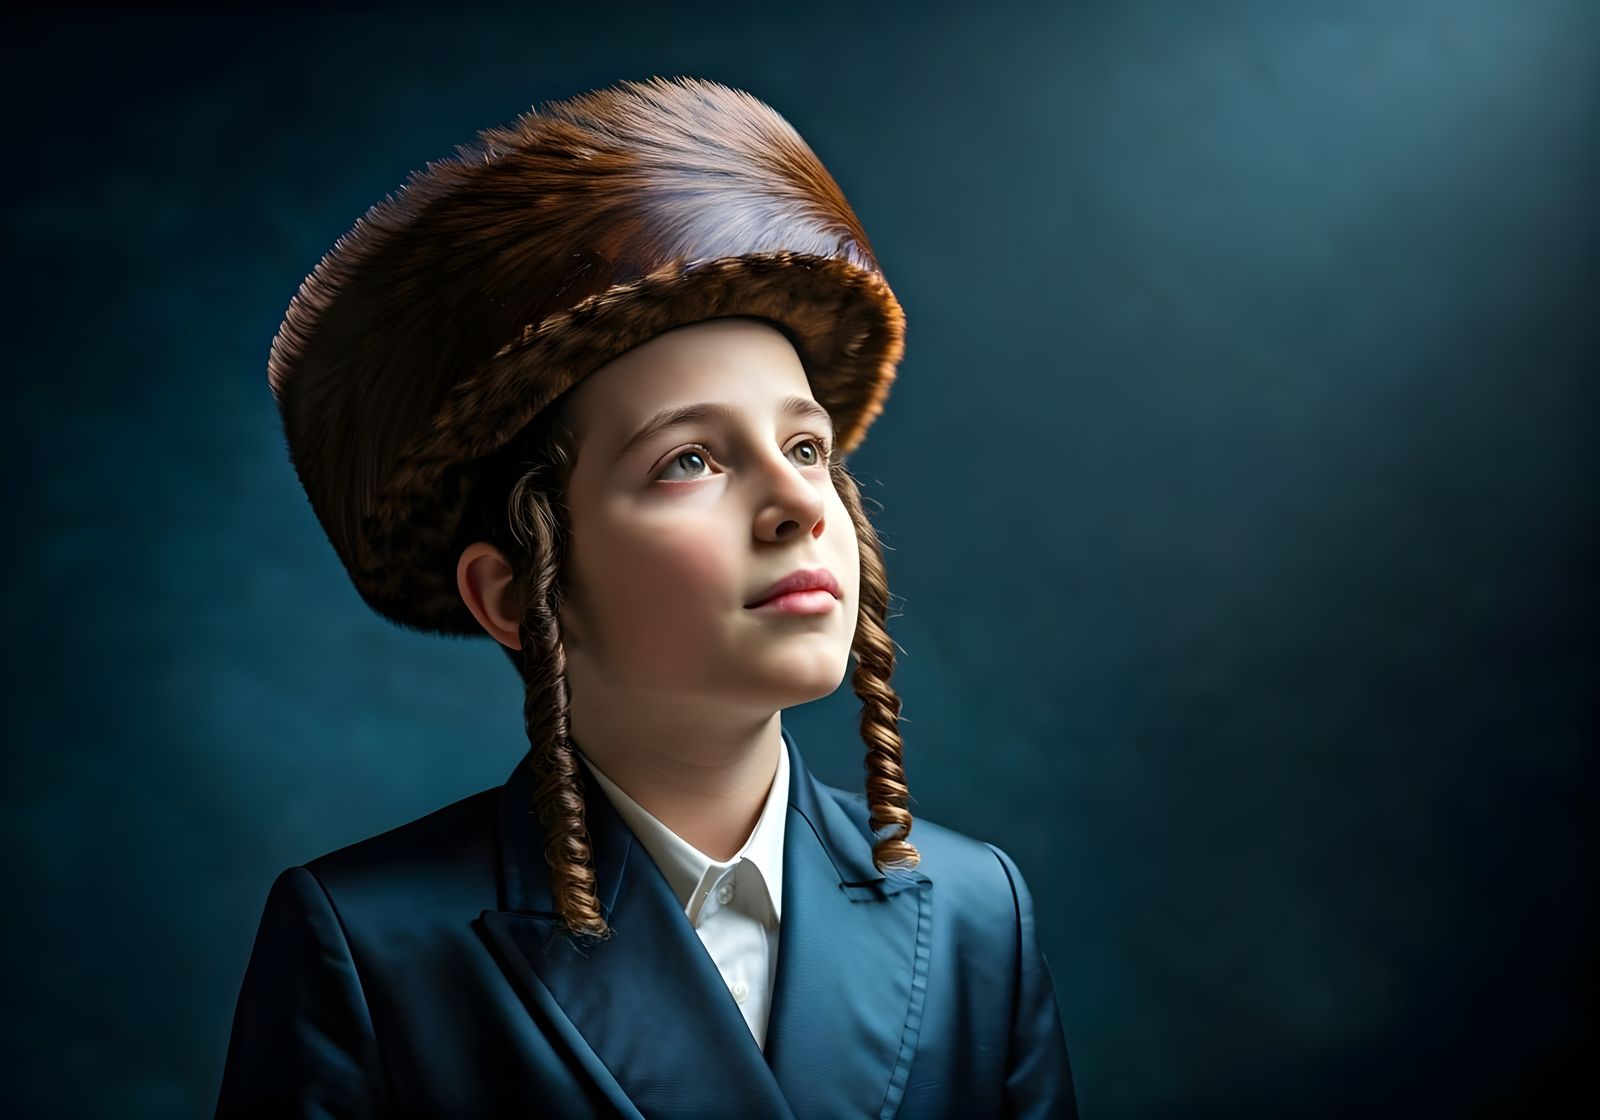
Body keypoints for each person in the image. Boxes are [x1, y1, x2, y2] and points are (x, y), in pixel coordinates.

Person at [215, 75, 1078, 1118]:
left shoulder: (977, 909)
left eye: (806, 445)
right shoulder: (368, 941)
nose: (797, 504)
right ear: (510, 593)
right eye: (689, 460)